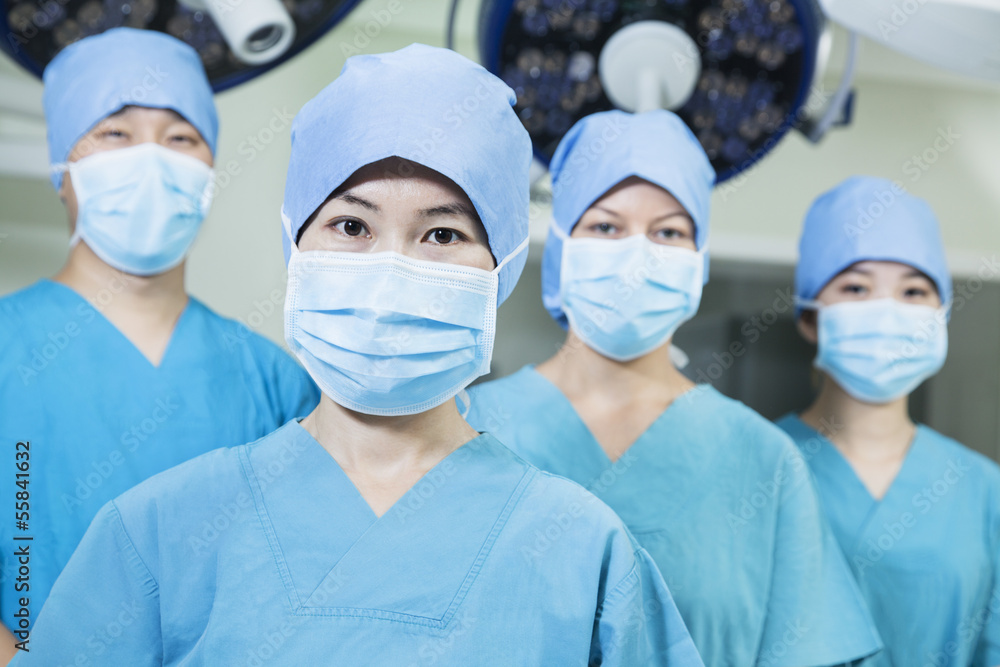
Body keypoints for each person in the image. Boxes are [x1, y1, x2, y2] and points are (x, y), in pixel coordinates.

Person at [12, 45, 704, 665]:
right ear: (295, 245)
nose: (390, 269)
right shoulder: (158, 533)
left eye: (442, 234)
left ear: (505, 266)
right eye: (351, 224)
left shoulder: (584, 554)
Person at [465, 109, 883, 666]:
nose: (639, 254)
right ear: (562, 246)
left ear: (699, 259)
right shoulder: (465, 428)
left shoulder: (762, 461)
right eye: (606, 227)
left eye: (669, 231)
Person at [0, 28, 318, 661]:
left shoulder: (275, 381)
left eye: (181, 138)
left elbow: (307, 578)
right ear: (63, 168)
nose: (151, 158)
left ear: (207, 174)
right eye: (115, 133)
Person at [775, 176, 1000, 666]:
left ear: (940, 315)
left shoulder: (984, 491)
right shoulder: (758, 466)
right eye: (856, 287)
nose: (888, 310)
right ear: (809, 316)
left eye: (914, 291)